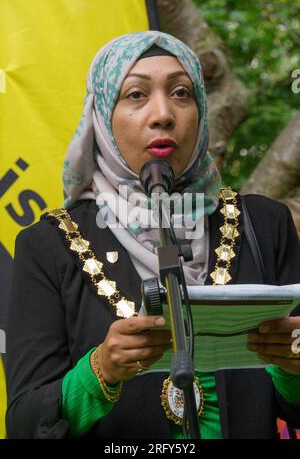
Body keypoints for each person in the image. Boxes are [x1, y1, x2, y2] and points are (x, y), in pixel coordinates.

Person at [5, 31, 300, 439]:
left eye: (181, 92)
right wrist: (100, 372)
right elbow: (23, 423)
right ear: (102, 115)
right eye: (136, 95)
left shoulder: (264, 225)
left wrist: (292, 364)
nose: (163, 114)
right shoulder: (49, 245)